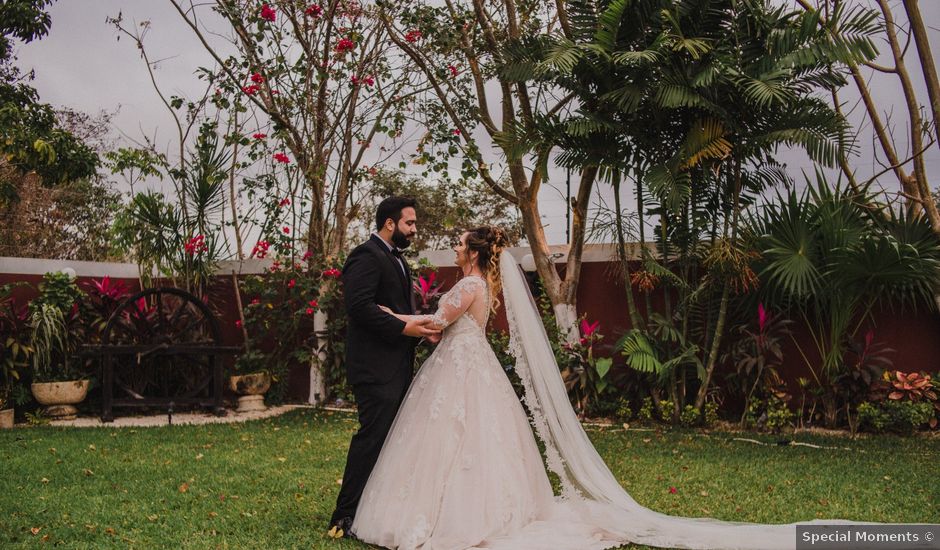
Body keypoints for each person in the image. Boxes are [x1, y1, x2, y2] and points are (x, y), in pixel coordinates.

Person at [348, 225, 868, 550]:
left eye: (460, 241)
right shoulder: (484, 286)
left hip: (459, 367)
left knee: (454, 440)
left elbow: (437, 323)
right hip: (470, 366)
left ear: (473, 252)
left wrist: (392, 315)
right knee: (477, 442)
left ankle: (451, 517)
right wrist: (401, 315)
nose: (455, 244)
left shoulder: (466, 284)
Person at [327, 196, 440, 539]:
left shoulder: (397, 259)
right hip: (375, 368)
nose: (415, 229)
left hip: (397, 365)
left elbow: (393, 308)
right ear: (390, 224)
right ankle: (343, 516)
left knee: (391, 441)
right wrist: (405, 328)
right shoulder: (366, 255)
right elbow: (359, 307)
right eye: (410, 223)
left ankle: (375, 512)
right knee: (371, 438)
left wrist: (418, 330)